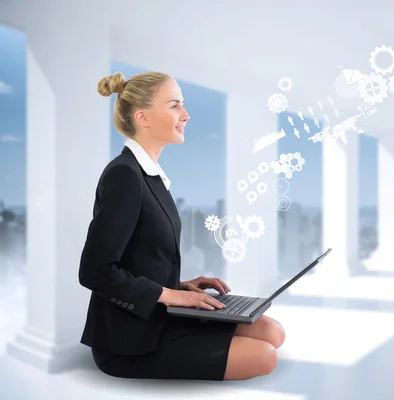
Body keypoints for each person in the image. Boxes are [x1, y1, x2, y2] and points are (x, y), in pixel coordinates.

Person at [78, 71, 285, 381]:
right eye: (174, 106)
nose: (186, 115)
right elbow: (95, 271)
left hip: (161, 314)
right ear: (143, 117)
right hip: (128, 341)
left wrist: (181, 287)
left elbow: (138, 257)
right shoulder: (124, 176)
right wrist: (169, 295)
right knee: (265, 357)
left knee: (273, 331)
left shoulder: (149, 175)